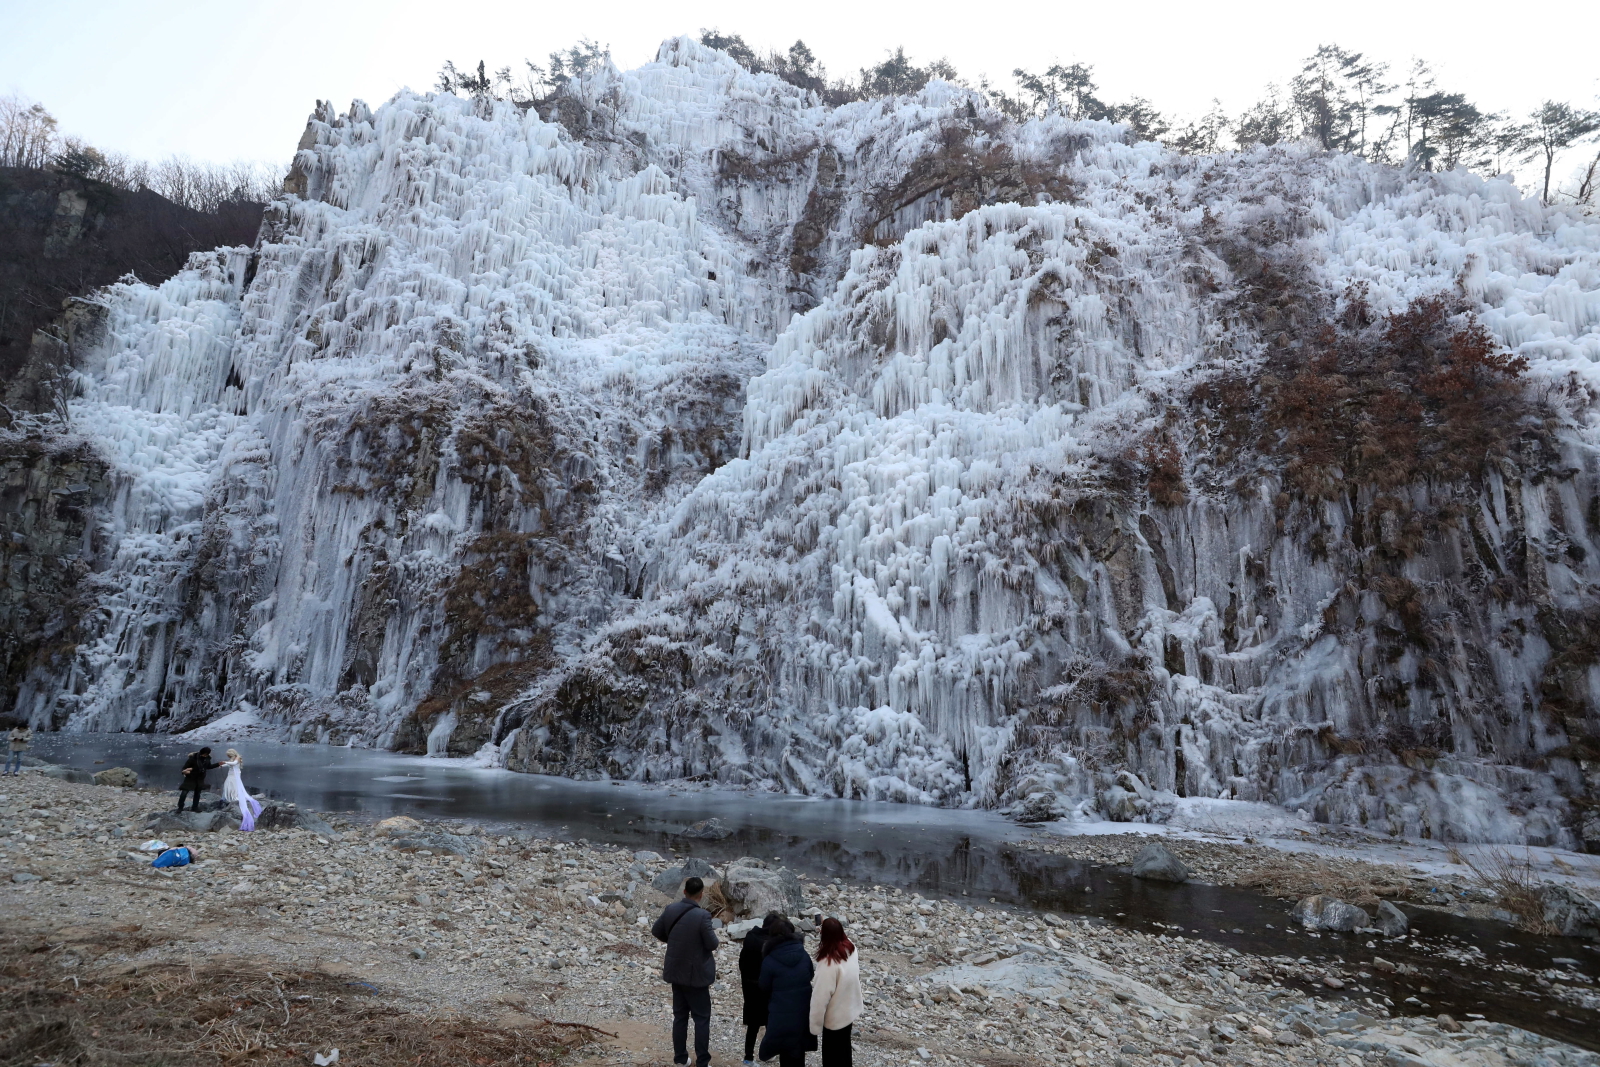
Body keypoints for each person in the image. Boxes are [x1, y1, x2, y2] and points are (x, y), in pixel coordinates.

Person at [652, 874, 719, 1067]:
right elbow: (712, 944)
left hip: (676, 971)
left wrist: (675, 942)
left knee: (680, 1017)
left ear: (684, 891)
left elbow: (657, 931)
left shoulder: (671, 909)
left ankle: (680, 1059)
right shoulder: (703, 915)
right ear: (701, 894)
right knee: (701, 1018)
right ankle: (703, 1062)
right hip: (696, 975)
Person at [758, 915, 816, 1066]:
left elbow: (763, 986)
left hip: (780, 1012)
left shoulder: (769, 960)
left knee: (784, 1050)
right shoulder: (803, 954)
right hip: (802, 1010)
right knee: (799, 1049)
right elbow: (810, 975)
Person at [808, 918, 863, 1067]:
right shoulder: (850, 947)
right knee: (844, 1052)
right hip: (849, 1010)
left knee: (832, 1058)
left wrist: (814, 1026)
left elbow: (820, 998)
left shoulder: (828, 962)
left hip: (835, 1018)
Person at [740, 911, 784, 1065]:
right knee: (770, 1022)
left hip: (750, 987)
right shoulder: (771, 943)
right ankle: (767, 1053)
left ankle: (748, 1057)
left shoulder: (750, 937)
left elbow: (742, 963)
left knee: (753, 1025)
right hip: (766, 988)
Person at [219, 749, 263, 831]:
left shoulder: (237, 758)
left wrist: (225, 762)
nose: (228, 757)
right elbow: (230, 765)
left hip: (234, 776)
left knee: (232, 785)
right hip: (231, 774)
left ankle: (232, 796)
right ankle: (227, 796)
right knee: (228, 785)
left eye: (228, 755)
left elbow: (234, 764)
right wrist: (222, 765)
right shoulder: (232, 759)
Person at [178, 747, 220, 812]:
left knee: (197, 793)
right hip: (190, 778)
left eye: (206, 754)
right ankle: (180, 807)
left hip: (200, 778)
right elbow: (184, 768)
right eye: (204, 754)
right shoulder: (193, 758)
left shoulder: (207, 758)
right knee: (184, 792)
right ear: (201, 752)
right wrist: (187, 771)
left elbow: (208, 766)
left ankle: (195, 807)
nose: (205, 756)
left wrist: (218, 764)